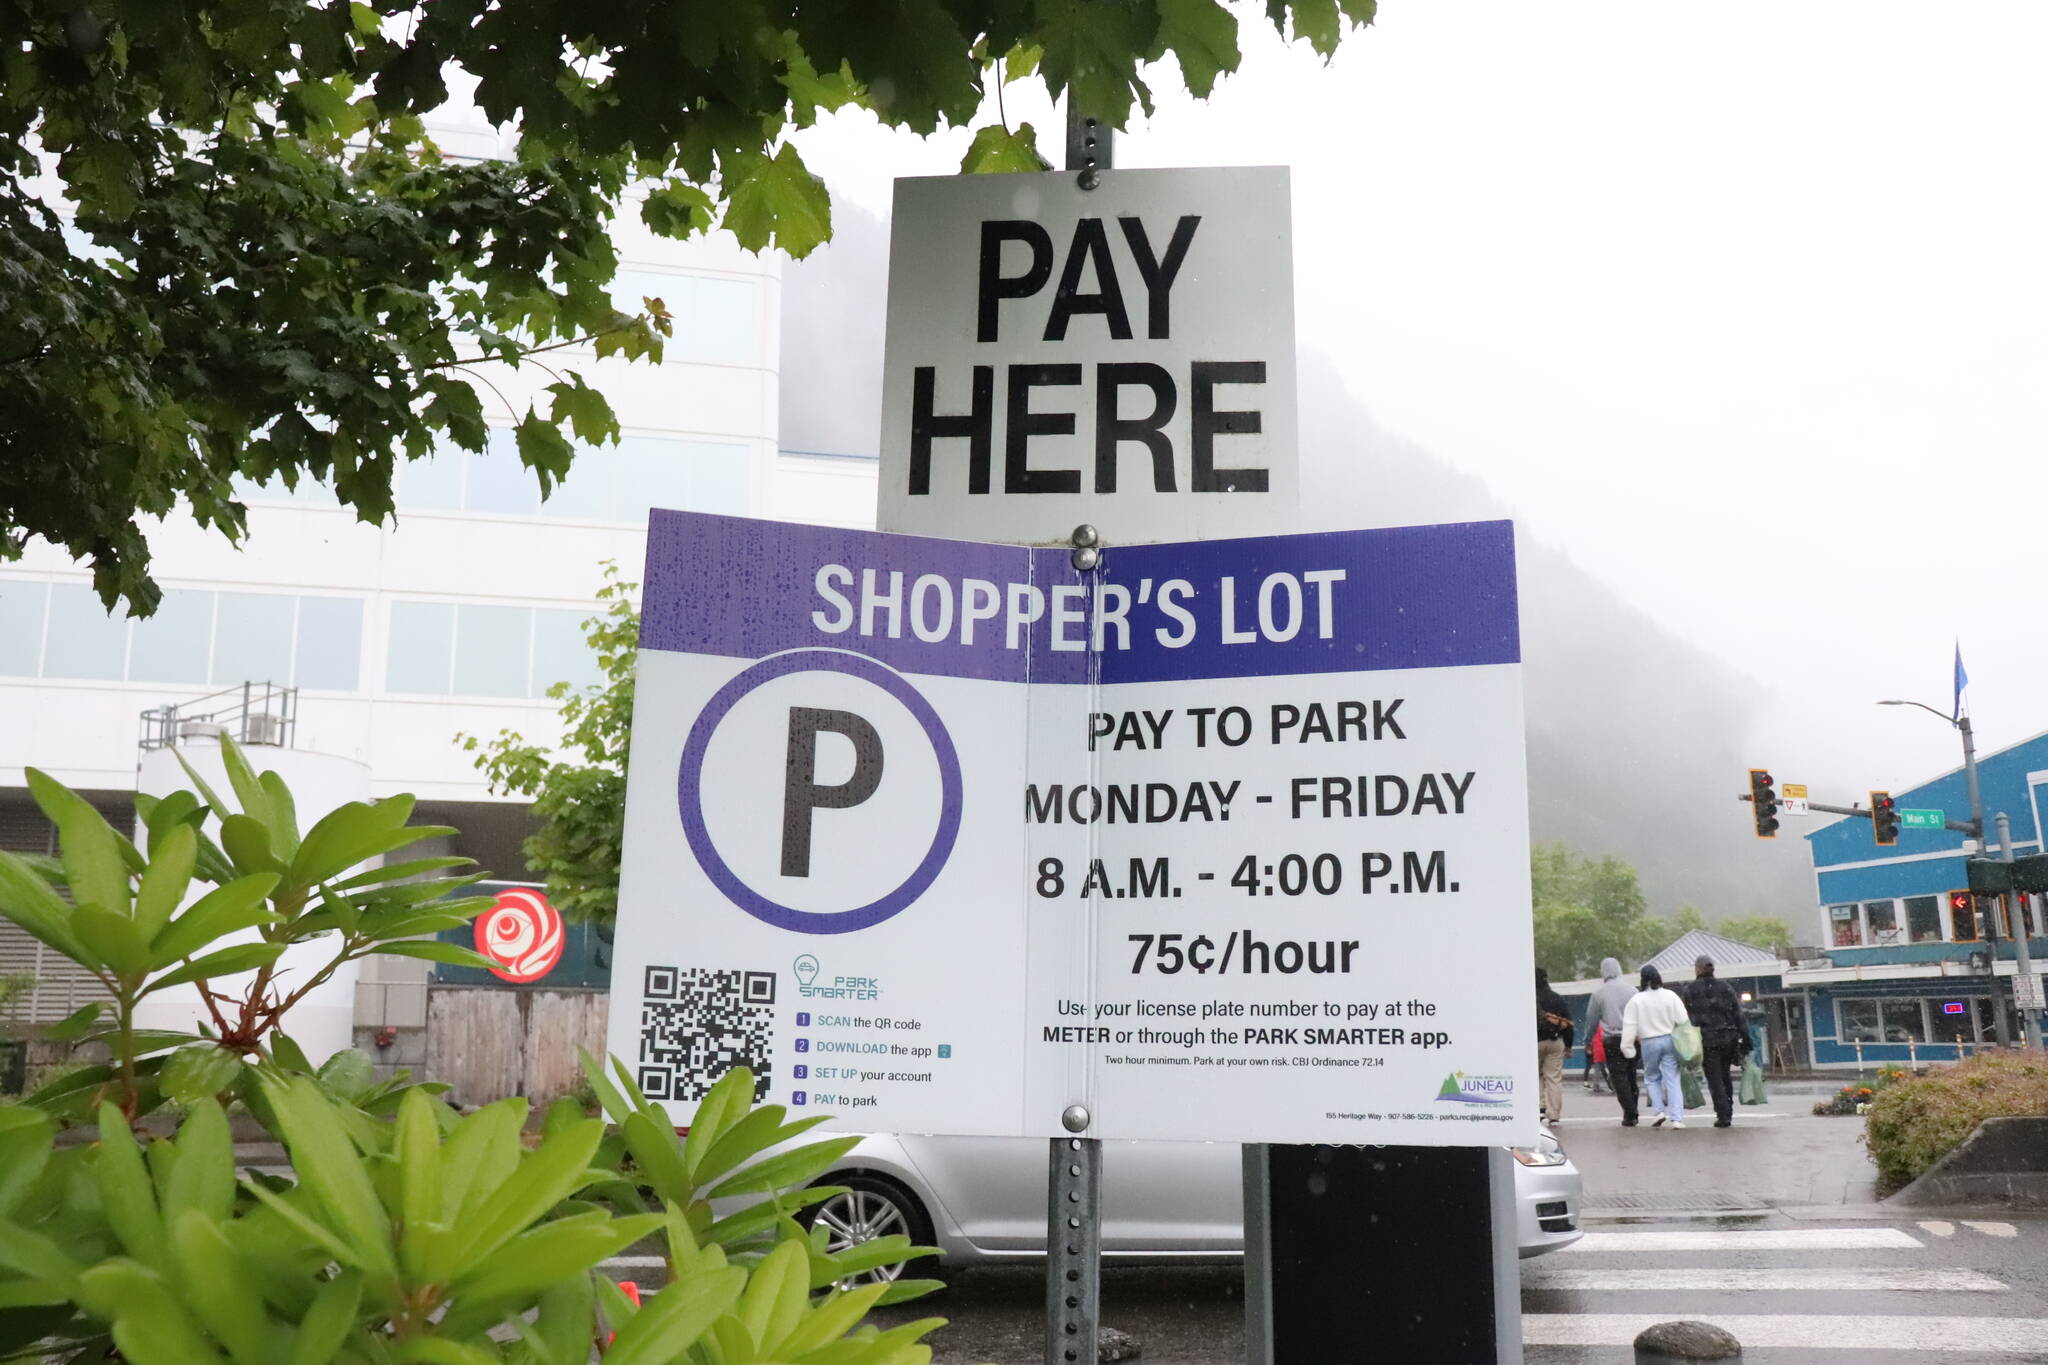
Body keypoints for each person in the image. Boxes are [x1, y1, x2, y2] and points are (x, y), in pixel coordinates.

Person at [1680, 954, 1750, 1128]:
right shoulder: (1725, 987)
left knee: (1714, 1077)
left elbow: (1685, 1018)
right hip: (1729, 1038)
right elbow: (1738, 1014)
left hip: (1707, 1040)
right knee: (1725, 1074)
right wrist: (1746, 1038)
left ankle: (1723, 1114)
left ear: (1697, 969)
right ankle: (1728, 1110)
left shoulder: (1690, 991)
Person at [1621, 964, 1691, 1128]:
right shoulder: (1670, 995)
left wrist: (1627, 1047)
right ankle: (1677, 1118)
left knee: (1652, 1077)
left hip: (1648, 1041)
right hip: (1669, 1039)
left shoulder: (1636, 1000)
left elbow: (1630, 1025)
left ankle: (1659, 1111)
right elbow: (1682, 1020)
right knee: (1672, 1078)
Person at [1583, 956, 1640, 1125]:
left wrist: (1588, 1040)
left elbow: (1591, 1019)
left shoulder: (1598, 994)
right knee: (1631, 1075)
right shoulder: (1632, 991)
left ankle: (1630, 1113)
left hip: (1612, 1041)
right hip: (1632, 1038)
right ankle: (1633, 1109)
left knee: (1619, 1076)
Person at [1535, 966, 1575, 1124]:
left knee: (1535, 1076)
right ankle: (1554, 1115)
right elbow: (1569, 1023)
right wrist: (1569, 1045)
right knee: (1553, 1078)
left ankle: (1539, 1109)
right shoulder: (1557, 998)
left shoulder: (1529, 997)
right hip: (1555, 1041)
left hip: (1535, 1042)